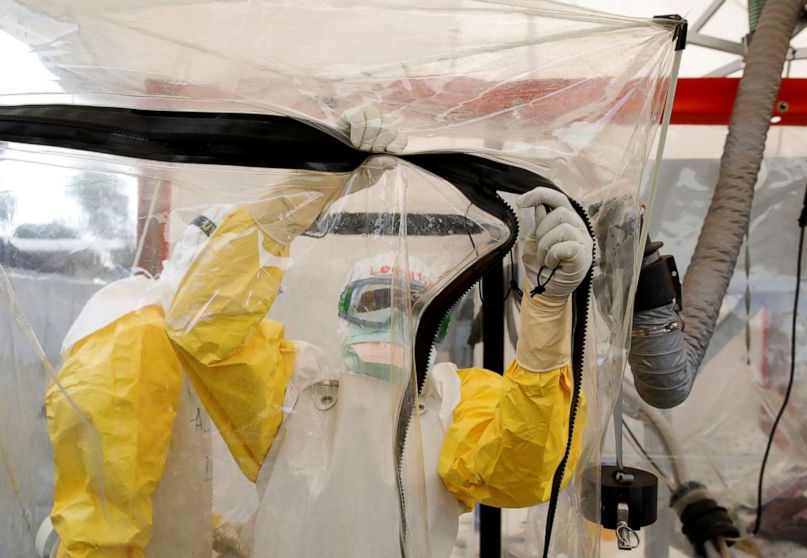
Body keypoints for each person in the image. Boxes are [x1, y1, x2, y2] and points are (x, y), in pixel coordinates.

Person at [42, 107, 593, 558]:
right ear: (345, 312)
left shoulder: (458, 403)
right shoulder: (294, 387)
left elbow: (523, 469)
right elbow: (202, 326)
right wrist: (306, 190)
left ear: (439, 322)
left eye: (413, 306)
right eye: (375, 298)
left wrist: (548, 310)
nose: (392, 317)